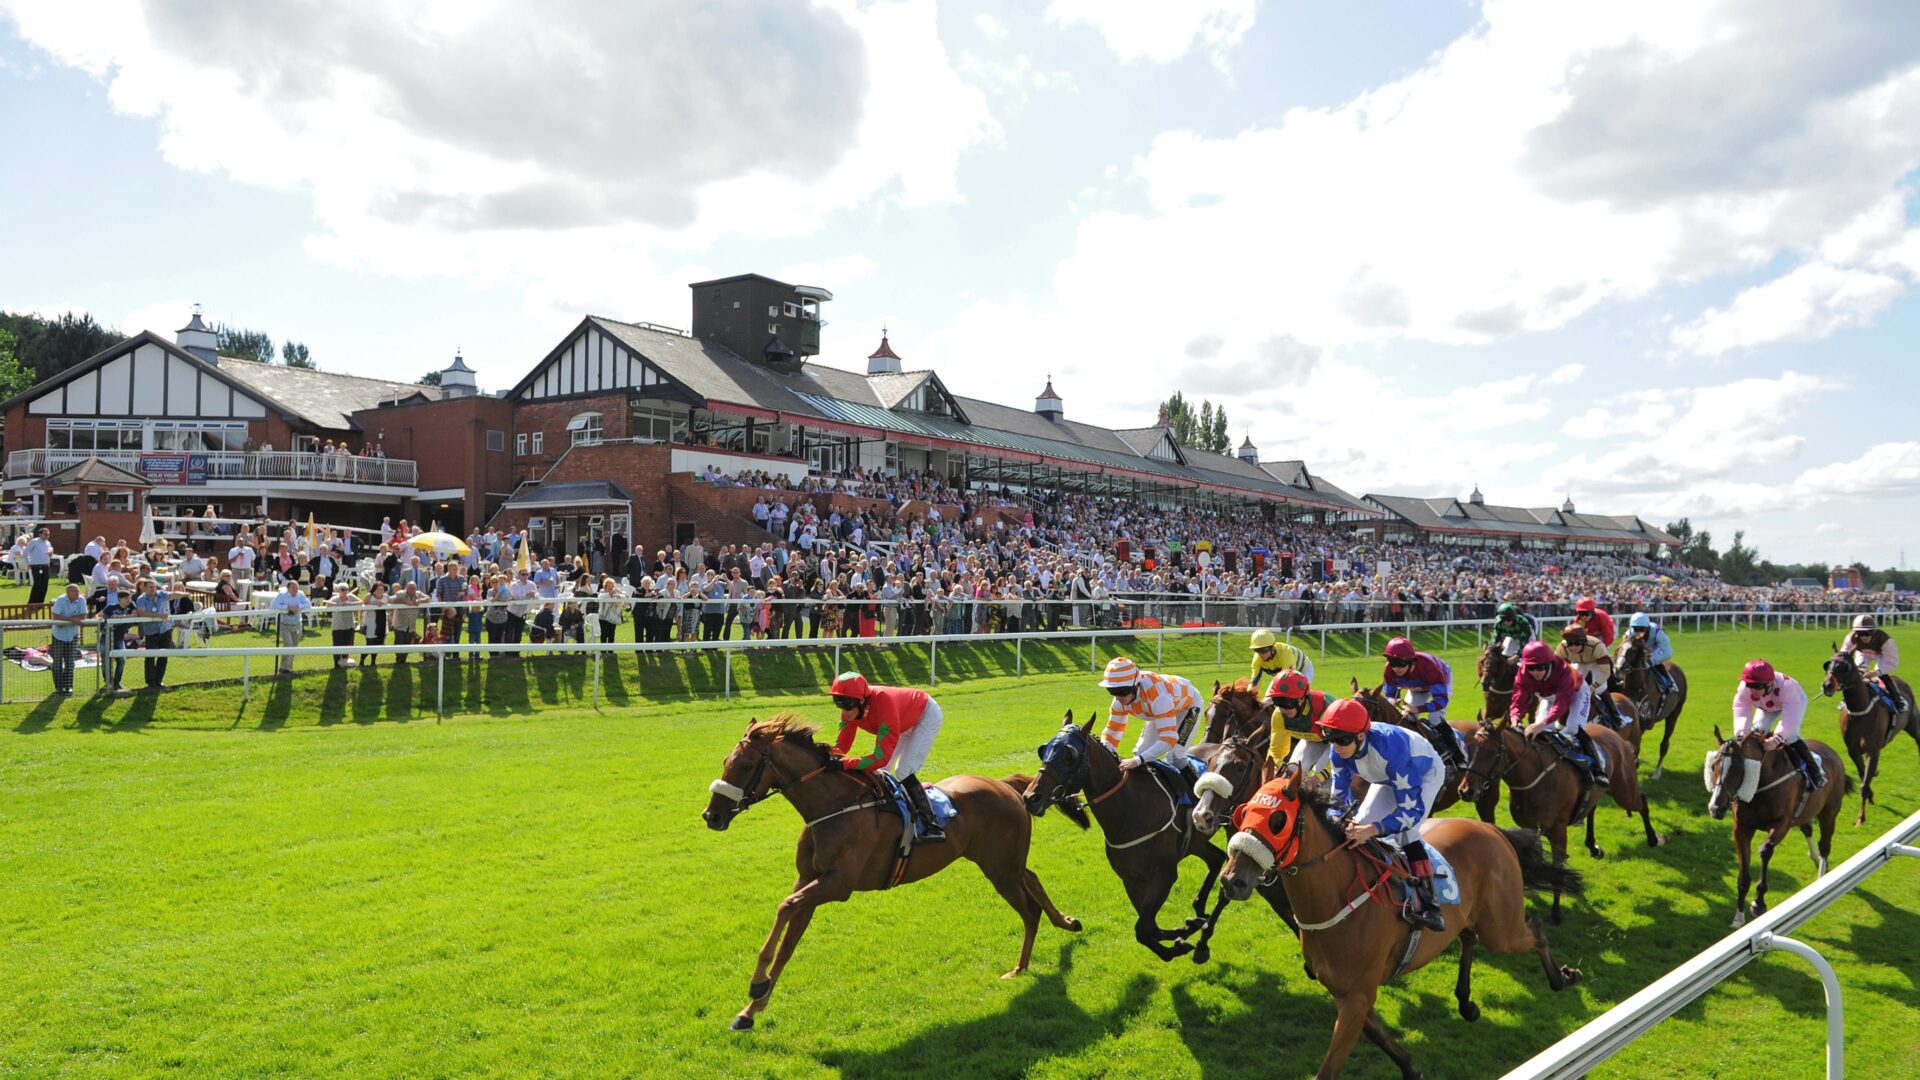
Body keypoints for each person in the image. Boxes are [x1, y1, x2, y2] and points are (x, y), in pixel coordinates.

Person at [1315, 696, 1448, 931]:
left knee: (1406, 833)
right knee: (1358, 825)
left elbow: (1410, 813)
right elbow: (1339, 799)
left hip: (1423, 773)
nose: (1336, 746)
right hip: (1385, 777)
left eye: (1342, 740)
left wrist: (1374, 829)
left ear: (1360, 736)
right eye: (1330, 738)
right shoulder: (1338, 751)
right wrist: (1341, 819)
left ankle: (1430, 904)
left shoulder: (1391, 752)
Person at [828, 671, 947, 842]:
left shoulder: (884, 704)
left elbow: (879, 758)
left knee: (903, 770)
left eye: (848, 704)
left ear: (862, 701)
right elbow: (841, 746)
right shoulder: (851, 709)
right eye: (838, 703)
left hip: (925, 715)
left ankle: (933, 824)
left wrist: (845, 764)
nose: (844, 711)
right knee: (884, 773)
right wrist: (828, 757)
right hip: (901, 718)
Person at [1510, 641, 1607, 788]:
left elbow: (1562, 703)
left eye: (1539, 667)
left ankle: (1598, 769)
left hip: (1576, 692)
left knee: (1574, 727)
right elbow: (1519, 699)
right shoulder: (1523, 673)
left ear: (1549, 663)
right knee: (1542, 733)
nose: (1535, 672)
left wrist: (1541, 723)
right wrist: (1515, 719)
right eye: (1531, 667)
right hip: (1548, 697)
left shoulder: (1563, 671)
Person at [1098, 656, 1205, 784]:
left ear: (1136, 685)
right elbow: (1112, 734)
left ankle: (1197, 795)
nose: (1118, 697)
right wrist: (1103, 755)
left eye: (1123, 692)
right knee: (1140, 752)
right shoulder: (1119, 702)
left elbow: (1168, 739)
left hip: (1189, 705)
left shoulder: (1159, 698)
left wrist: (1137, 761)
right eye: (1112, 691)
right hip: (1161, 711)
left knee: (1175, 756)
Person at [1732, 659, 1821, 789]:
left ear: (1769, 684)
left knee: (1791, 737)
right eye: (1749, 685)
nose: (1752, 690)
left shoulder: (1787, 688)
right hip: (1767, 706)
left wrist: (1776, 739)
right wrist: (1741, 733)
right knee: (1758, 730)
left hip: (1794, 702)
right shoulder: (1745, 689)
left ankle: (1815, 770)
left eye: (1757, 686)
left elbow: (1789, 720)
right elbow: (1741, 708)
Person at [1380, 637, 1464, 767]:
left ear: (1411, 661)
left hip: (1439, 682)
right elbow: (1389, 695)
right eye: (1392, 663)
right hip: (1417, 687)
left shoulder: (1429, 666)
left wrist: (1419, 709)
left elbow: (1441, 701)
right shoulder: (1389, 670)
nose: (1396, 668)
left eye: (1401, 664)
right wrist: (1392, 701)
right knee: (1407, 717)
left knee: (1435, 717)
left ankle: (1456, 752)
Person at [1262, 668, 1335, 778]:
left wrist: (1319, 778)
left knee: (1321, 775)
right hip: (1313, 740)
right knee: (1292, 772)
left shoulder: (1325, 710)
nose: (1282, 709)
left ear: (1301, 700)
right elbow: (1277, 750)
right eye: (1277, 702)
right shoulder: (1279, 715)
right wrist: (1275, 767)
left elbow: (1341, 748)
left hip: (1339, 742)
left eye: (1286, 704)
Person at [1554, 623, 1623, 729]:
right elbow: (1557, 669)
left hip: (1596, 663)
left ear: (1584, 641)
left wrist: (1593, 686)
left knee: (1600, 688)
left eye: (1577, 644)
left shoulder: (1597, 646)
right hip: (1578, 663)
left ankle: (1616, 717)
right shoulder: (1563, 646)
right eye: (1570, 644)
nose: (1573, 647)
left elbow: (1605, 673)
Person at [1841, 614, 1903, 712]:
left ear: (1873, 632)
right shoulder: (1851, 637)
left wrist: (1876, 672)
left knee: (1882, 675)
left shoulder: (1886, 640)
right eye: (1861, 634)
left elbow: (1892, 663)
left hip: (1881, 654)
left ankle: (1898, 699)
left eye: (1868, 633)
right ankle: (1846, 699)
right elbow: (1843, 654)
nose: (1864, 637)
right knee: (1857, 673)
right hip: (1863, 653)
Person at [1620, 612, 1679, 697]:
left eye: (1641, 629)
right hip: (1639, 653)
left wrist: (1652, 661)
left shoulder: (1657, 632)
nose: (1638, 632)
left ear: (1647, 628)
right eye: (1636, 628)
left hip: (1654, 652)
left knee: (1658, 667)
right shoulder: (1628, 634)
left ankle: (1669, 683)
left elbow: (1668, 652)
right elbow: (1622, 651)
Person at [133, 577, 175, 689]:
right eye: (150, 587)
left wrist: (184, 594)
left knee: (163, 655)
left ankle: (159, 680)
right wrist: (159, 616)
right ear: (144, 588)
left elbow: (172, 595)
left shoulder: (162, 594)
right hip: (151, 632)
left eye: (154, 587)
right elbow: (143, 613)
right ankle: (150, 681)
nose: (153, 589)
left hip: (165, 629)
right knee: (150, 656)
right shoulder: (141, 599)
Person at [48, 582, 89, 695]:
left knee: (70, 662)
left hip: (72, 635)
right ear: (68, 593)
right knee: (57, 662)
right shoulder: (60, 600)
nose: (77, 593)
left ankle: (68, 687)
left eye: (78, 591)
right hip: (58, 636)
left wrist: (66, 619)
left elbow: (83, 616)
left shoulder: (81, 600)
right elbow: (56, 618)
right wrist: (73, 620)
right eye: (75, 591)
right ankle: (59, 688)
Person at [268, 579, 313, 675]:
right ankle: (283, 667)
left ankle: (288, 668)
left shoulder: (300, 594)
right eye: (293, 588)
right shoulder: (282, 595)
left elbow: (308, 604)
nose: (295, 590)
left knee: (294, 646)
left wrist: (298, 606)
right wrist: (288, 607)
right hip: (285, 624)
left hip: (297, 624)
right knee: (288, 644)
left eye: (297, 588)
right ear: (288, 588)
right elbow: (273, 605)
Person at [1248, 628, 1315, 687]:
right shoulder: (1257, 659)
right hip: (1282, 674)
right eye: (1257, 650)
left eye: (1264, 650)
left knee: (1298, 692)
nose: (1260, 654)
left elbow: (1287, 677)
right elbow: (1254, 681)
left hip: (1303, 669)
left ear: (1272, 647)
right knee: (1269, 696)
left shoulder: (1285, 652)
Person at [25, 526, 53, 605]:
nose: (47, 536)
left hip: (45, 565)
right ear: (40, 534)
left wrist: (50, 554)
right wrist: (28, 563)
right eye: (45, 534)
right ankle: (32, 603)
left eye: (48, 534)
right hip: (36, 565)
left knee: (45, 584)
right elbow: (25, 552)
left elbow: (49, 554)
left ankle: (41, 602)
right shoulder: (34, 541)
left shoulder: (48, 543)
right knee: (37, 584)